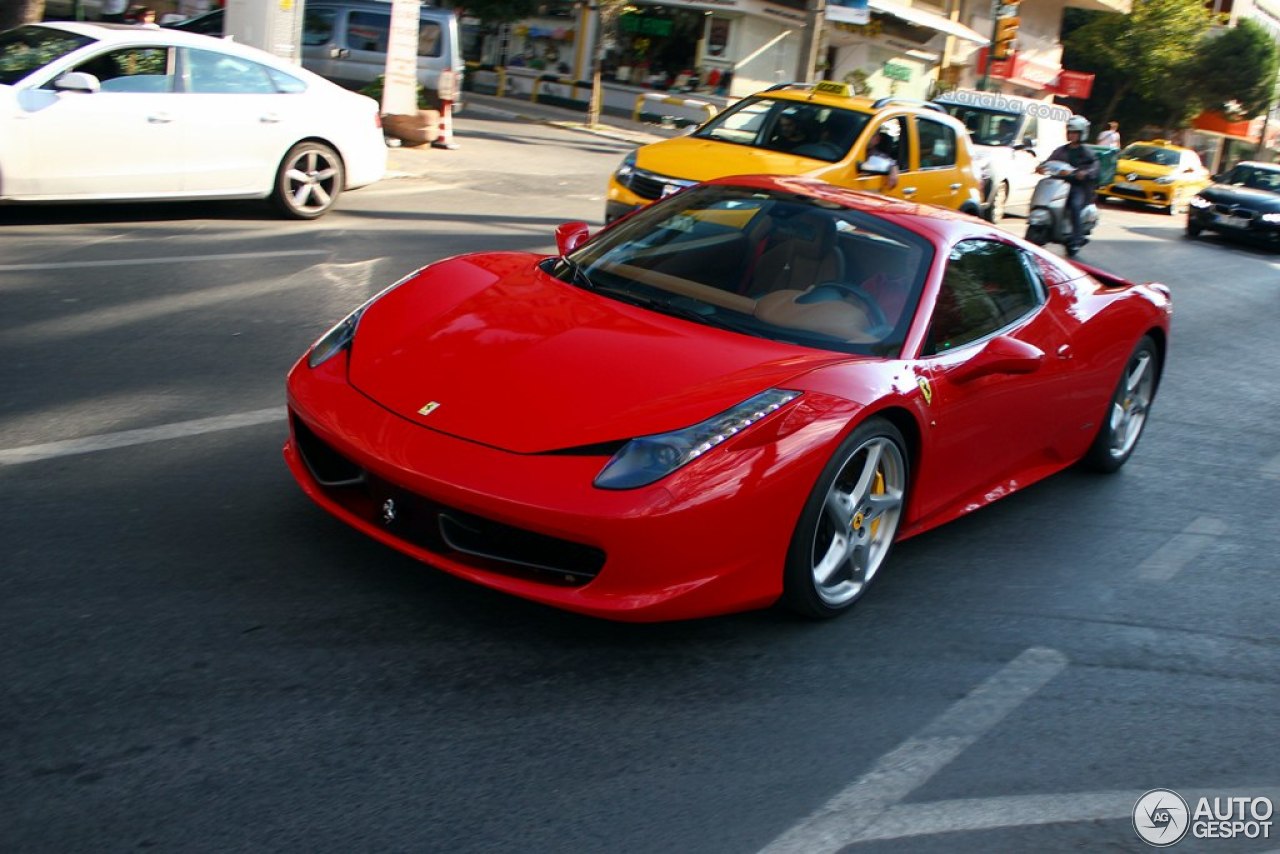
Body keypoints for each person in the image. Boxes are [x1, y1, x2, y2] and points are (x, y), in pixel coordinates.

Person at [1040, 114, 1099, 253]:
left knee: (1075, 205)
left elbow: (1094, 167)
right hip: (1058, 184)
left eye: (1075, 133)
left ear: (1082, 134)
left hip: (1076, 186)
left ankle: (1076, 238)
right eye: (1070, 132)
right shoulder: (1061, 150)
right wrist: (1041, 166)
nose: (1072, 135)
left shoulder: (1086, 152)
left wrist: (1083, 173)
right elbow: (1050, 161)